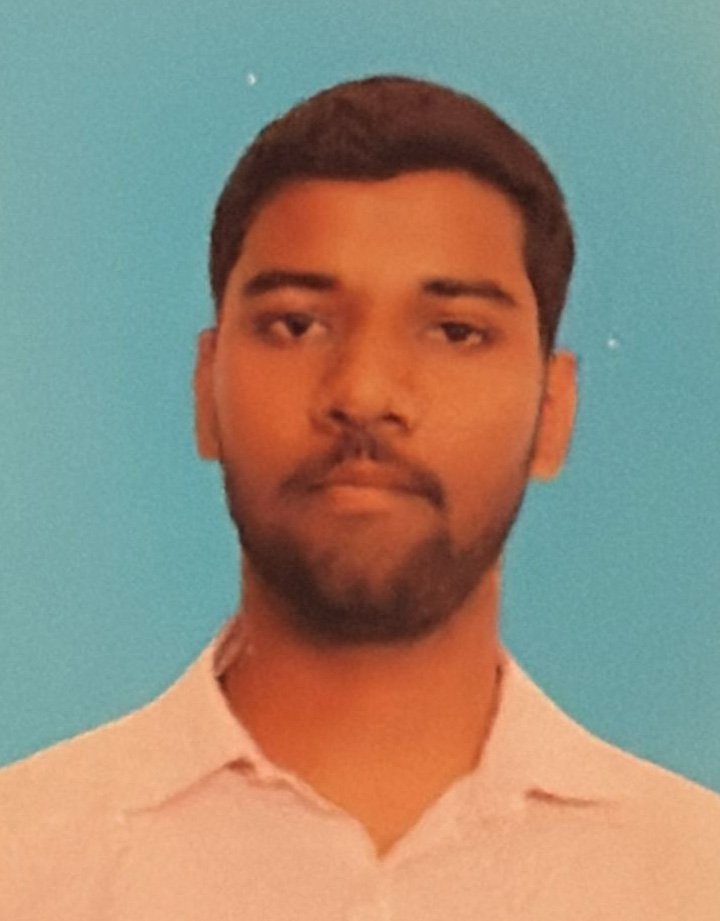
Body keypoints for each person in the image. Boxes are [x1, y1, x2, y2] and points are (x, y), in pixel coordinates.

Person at [2, 75, 718, 920]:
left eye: (455, 331)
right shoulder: (25, 858)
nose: (366, 392)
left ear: (553, 412)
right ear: (206, 390)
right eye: (297, 324)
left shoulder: (691, 875)